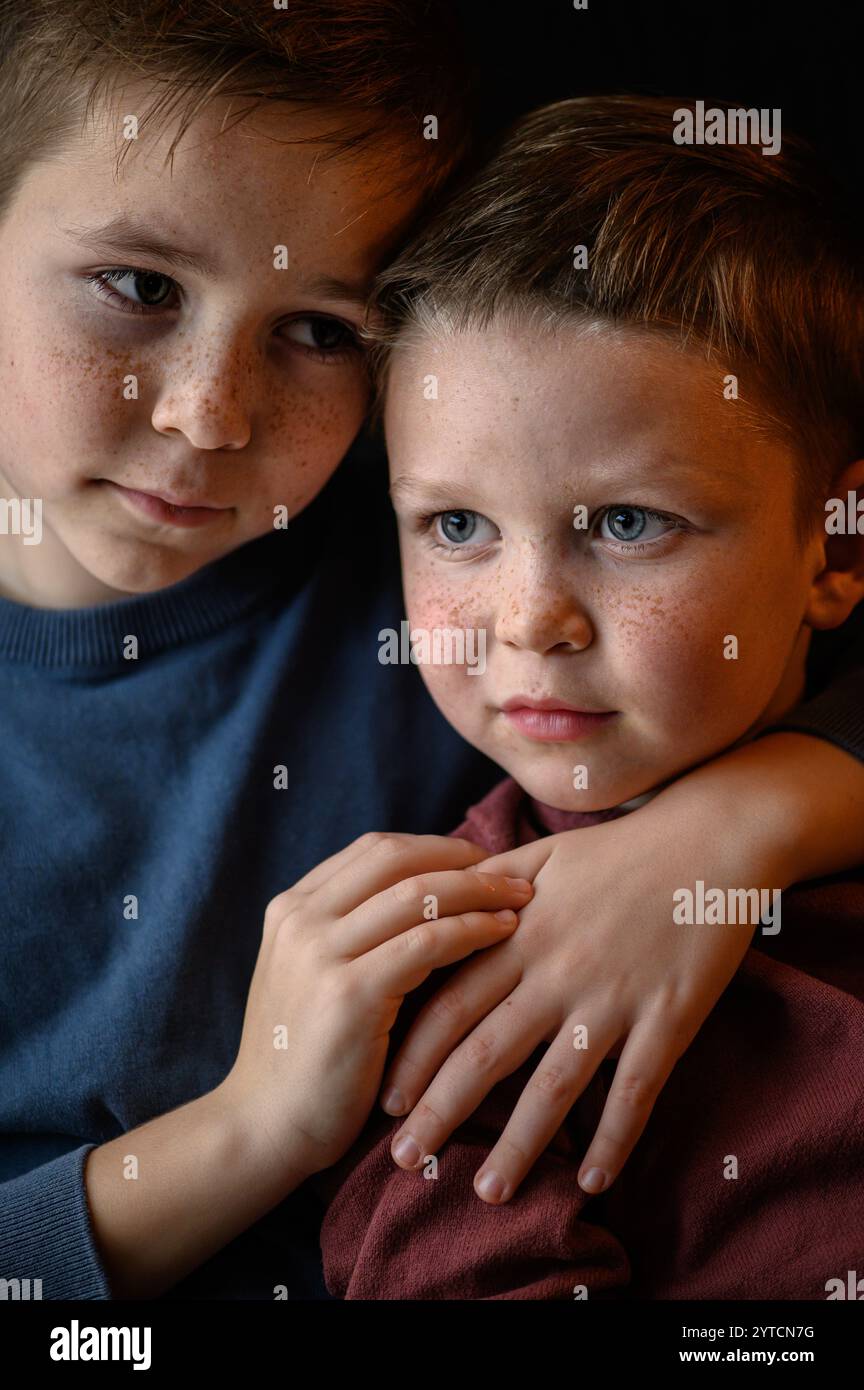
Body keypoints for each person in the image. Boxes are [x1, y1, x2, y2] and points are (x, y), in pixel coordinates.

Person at [0, 5, 862, 1301]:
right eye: (139, 287)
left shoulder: (431, 560)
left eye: (321, 329)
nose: (211, 413)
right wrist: (256, 1125)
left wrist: (738, 827)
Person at [315, 94, 864, 1299]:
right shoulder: (462, 949)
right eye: (455, 525)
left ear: (832, 553)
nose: (529, 618)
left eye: (626, 524)